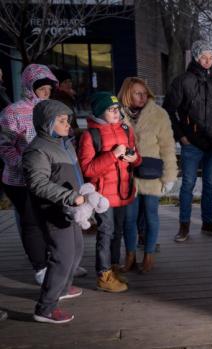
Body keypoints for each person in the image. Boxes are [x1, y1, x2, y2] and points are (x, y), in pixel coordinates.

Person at [163, 39, 212, 242]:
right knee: (188, 185)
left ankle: (208, 223)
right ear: (196, 57)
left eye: (211, 57)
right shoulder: (182, 81)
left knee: (210, 184)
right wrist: (181, 136)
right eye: (204, 56)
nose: (208, 60)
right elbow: (168, 110)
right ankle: (184, 226)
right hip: (191, 144)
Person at [22, 99, 85, 324]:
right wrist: (70, 196)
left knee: (76, 249)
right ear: (47, 123)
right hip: (53, 210)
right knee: (62, 256)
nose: (67, 124)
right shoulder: (37, 149)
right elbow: (37, 183)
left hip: (70, 209)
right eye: (61, 120)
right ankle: (45, 308)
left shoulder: (64, 144)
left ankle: (63, 287)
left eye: (67, 120)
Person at [0, 64, 57, 285]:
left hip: (49, 178)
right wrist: (23, 165)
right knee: (32, 222)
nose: (46, 92)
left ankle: (57, 260)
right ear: (29, 86)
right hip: (20, 180)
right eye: (41, 87)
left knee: (51, 220)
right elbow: (4, 147)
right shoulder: (12, 112)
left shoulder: (52, 109)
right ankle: (41, 268)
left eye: (49, 88)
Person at [78, 92, 141, 292]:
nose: (116, 113)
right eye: (111, 109)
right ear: (99, 112)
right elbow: (87, 169)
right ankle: (103, 275)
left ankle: (113, 268)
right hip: (103, 195)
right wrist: (113, 155)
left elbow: (136, 156)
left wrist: (134, 159)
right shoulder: (90, 135)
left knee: (117, 232)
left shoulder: (126, 129)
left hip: (123, 190)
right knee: (106, 232)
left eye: (117, 109)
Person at [119, 77, 177, 273]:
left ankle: (149, 256)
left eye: (144, 92)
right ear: (128, 93)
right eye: (137, 93)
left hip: (151, 175)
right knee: (129, 218)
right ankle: (130, 256)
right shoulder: (117, 115)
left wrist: (169, 176)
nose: (142, 96)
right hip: (127, 176)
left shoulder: (159, 115)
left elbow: (168, 147)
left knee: (151, 215)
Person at [50, 68, 80, 135]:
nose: (69, 84)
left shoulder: (68, 97)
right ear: (58, 84)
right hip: (65, 135)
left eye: (70, 81)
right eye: (65, 82)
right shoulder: (59, 99)